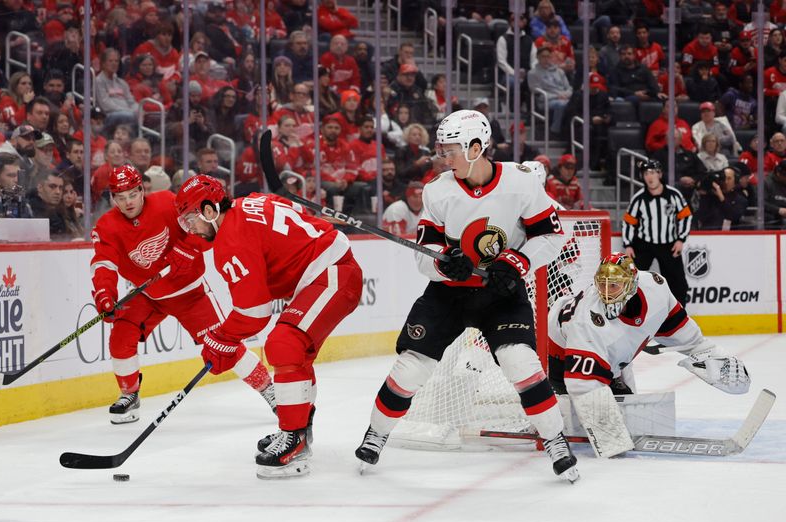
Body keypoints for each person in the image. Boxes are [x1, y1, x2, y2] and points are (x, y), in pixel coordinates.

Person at [353, 109, 579, 483]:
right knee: (412, 367)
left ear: (477, 147)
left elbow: (552, 237)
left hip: (501, 294)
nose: (445, 157)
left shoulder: (521, 184)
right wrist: (444, 264)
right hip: (448, 296)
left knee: (520, 362)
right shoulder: (438, 189)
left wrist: (517, 261)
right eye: (442, 150)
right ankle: (376, 434)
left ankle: (555, 440)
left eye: (452, 149)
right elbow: (423, 253)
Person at [174, 174, 363, 479]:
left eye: (190, 220)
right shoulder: (249, 202)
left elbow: (254, 313)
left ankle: (295, 439)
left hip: (333, 274)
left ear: (210, 211)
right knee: (294, 351)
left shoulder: (230, 240)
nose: (190, 229)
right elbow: (289, 212)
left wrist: (221, 338)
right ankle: (297, 429)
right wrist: (224, 338)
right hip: (326, 272)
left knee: (284, 343)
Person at [90, 165, 276, 424]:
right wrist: (104, 293)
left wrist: (189, 250)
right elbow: (103, 263)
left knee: (223, 345)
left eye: (132, 194)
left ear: (142, 189)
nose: (127, 202)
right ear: (113, 198)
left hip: (189, 294)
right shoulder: (107, 225)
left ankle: (270, 390)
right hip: (147, 295)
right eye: (120, 198)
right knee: (121, 336)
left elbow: (203, 225)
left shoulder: (167, 202)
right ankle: (129, 395)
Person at [547, 253, 750, 412]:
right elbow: (582, 387)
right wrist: (610, 437)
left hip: (610, 358)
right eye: (602, 284)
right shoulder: (587, 321)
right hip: (559, 356)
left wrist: (715, 355)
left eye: (614, 285)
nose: (607, 292)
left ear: (632, 285)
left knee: (628, 412)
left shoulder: (655, 287)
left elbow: (687, 336)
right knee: (568, 416)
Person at [622, 159, 691, 308]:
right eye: (646, 173)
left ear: (660, 174)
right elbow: (628, 221)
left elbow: (685, 216)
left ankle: (678, 314)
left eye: (653, 172)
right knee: (633, 280)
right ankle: (633, 313)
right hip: (644, 245)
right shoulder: (639, 198)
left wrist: (680, 239)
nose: (649, 177)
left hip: (669, 244)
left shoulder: (673, 195)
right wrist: (628, 244)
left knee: (678, 282)